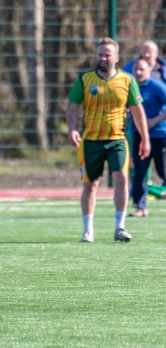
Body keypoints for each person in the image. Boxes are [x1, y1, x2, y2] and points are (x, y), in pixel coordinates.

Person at [67, 37, 149, 243]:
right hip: (91, 141)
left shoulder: (127, 80)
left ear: (116, 57)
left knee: (122, 178)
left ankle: (120, 227)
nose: (103, 58)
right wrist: (72, 129)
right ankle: (88, 230)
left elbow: (138, 111)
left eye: (107, 55)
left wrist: (144, 138)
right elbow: (72, 106)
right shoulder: (85, 80)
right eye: (100, 54)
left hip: (117, 140)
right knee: (90, 185)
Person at [129, 57, 166, 217]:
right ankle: (140, 207)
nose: (138, 72)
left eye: (142, 69)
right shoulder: (130, 87)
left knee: (162, 170)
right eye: (136, 69)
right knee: (139, 172)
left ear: (149, 71)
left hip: (158, 135)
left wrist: (154, 121)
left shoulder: (157, 87)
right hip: (139, 136)